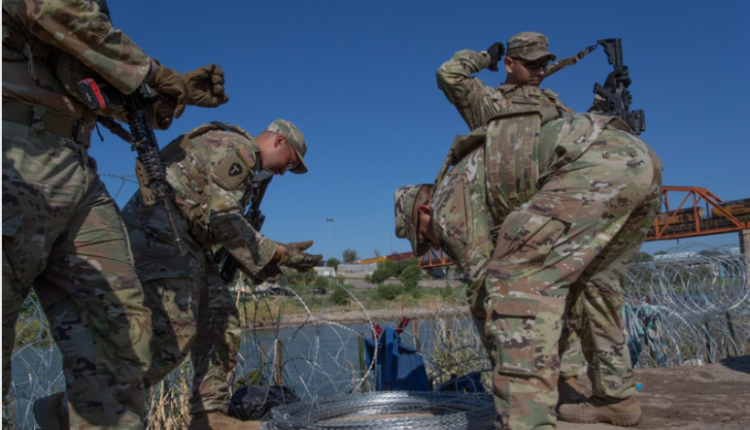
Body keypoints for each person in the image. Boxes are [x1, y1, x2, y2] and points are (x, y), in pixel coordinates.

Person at [2, 0, 227, 427]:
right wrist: (155, 73)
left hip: (73, 160)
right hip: (12, 148)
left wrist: (171, 95)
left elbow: (99, 88)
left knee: (123, 328)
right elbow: (51, 10)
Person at [394, 112, 662, 429]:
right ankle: (616, 400)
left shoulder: (446, 200)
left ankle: (526, 421)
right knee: (596, 289)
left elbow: (485, 290)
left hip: (595, 164)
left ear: (425, 211)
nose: (435, 246)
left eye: (424, 236)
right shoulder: (476, 191)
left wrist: (502, 363)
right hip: (639, 158)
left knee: (516, 281)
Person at [436, 31, 632, 405]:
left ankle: (566, 383)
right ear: (509, 64)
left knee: (570, 300)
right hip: (506, 221)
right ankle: (520, 390)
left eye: (545, 63)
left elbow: (579, 147)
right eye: (532, 63)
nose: (541, 69)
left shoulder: (555, 105)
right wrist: (484, 56)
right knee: (500, 303)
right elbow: (449, 75)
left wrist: (604, 107)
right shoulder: (489, 100)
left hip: (554, 212)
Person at [121, 119, 321, 430]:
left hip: (188, 241)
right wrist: (279, 253)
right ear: (280, 141)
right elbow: (223, 217)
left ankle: (209, 416)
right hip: (160, 230)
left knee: (221, 319)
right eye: (289, 163)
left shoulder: (248, 170)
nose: (283, 172)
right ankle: (88, 403)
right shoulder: (237, 150)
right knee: (173, 334)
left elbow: (219, 223)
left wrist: (262, 262)